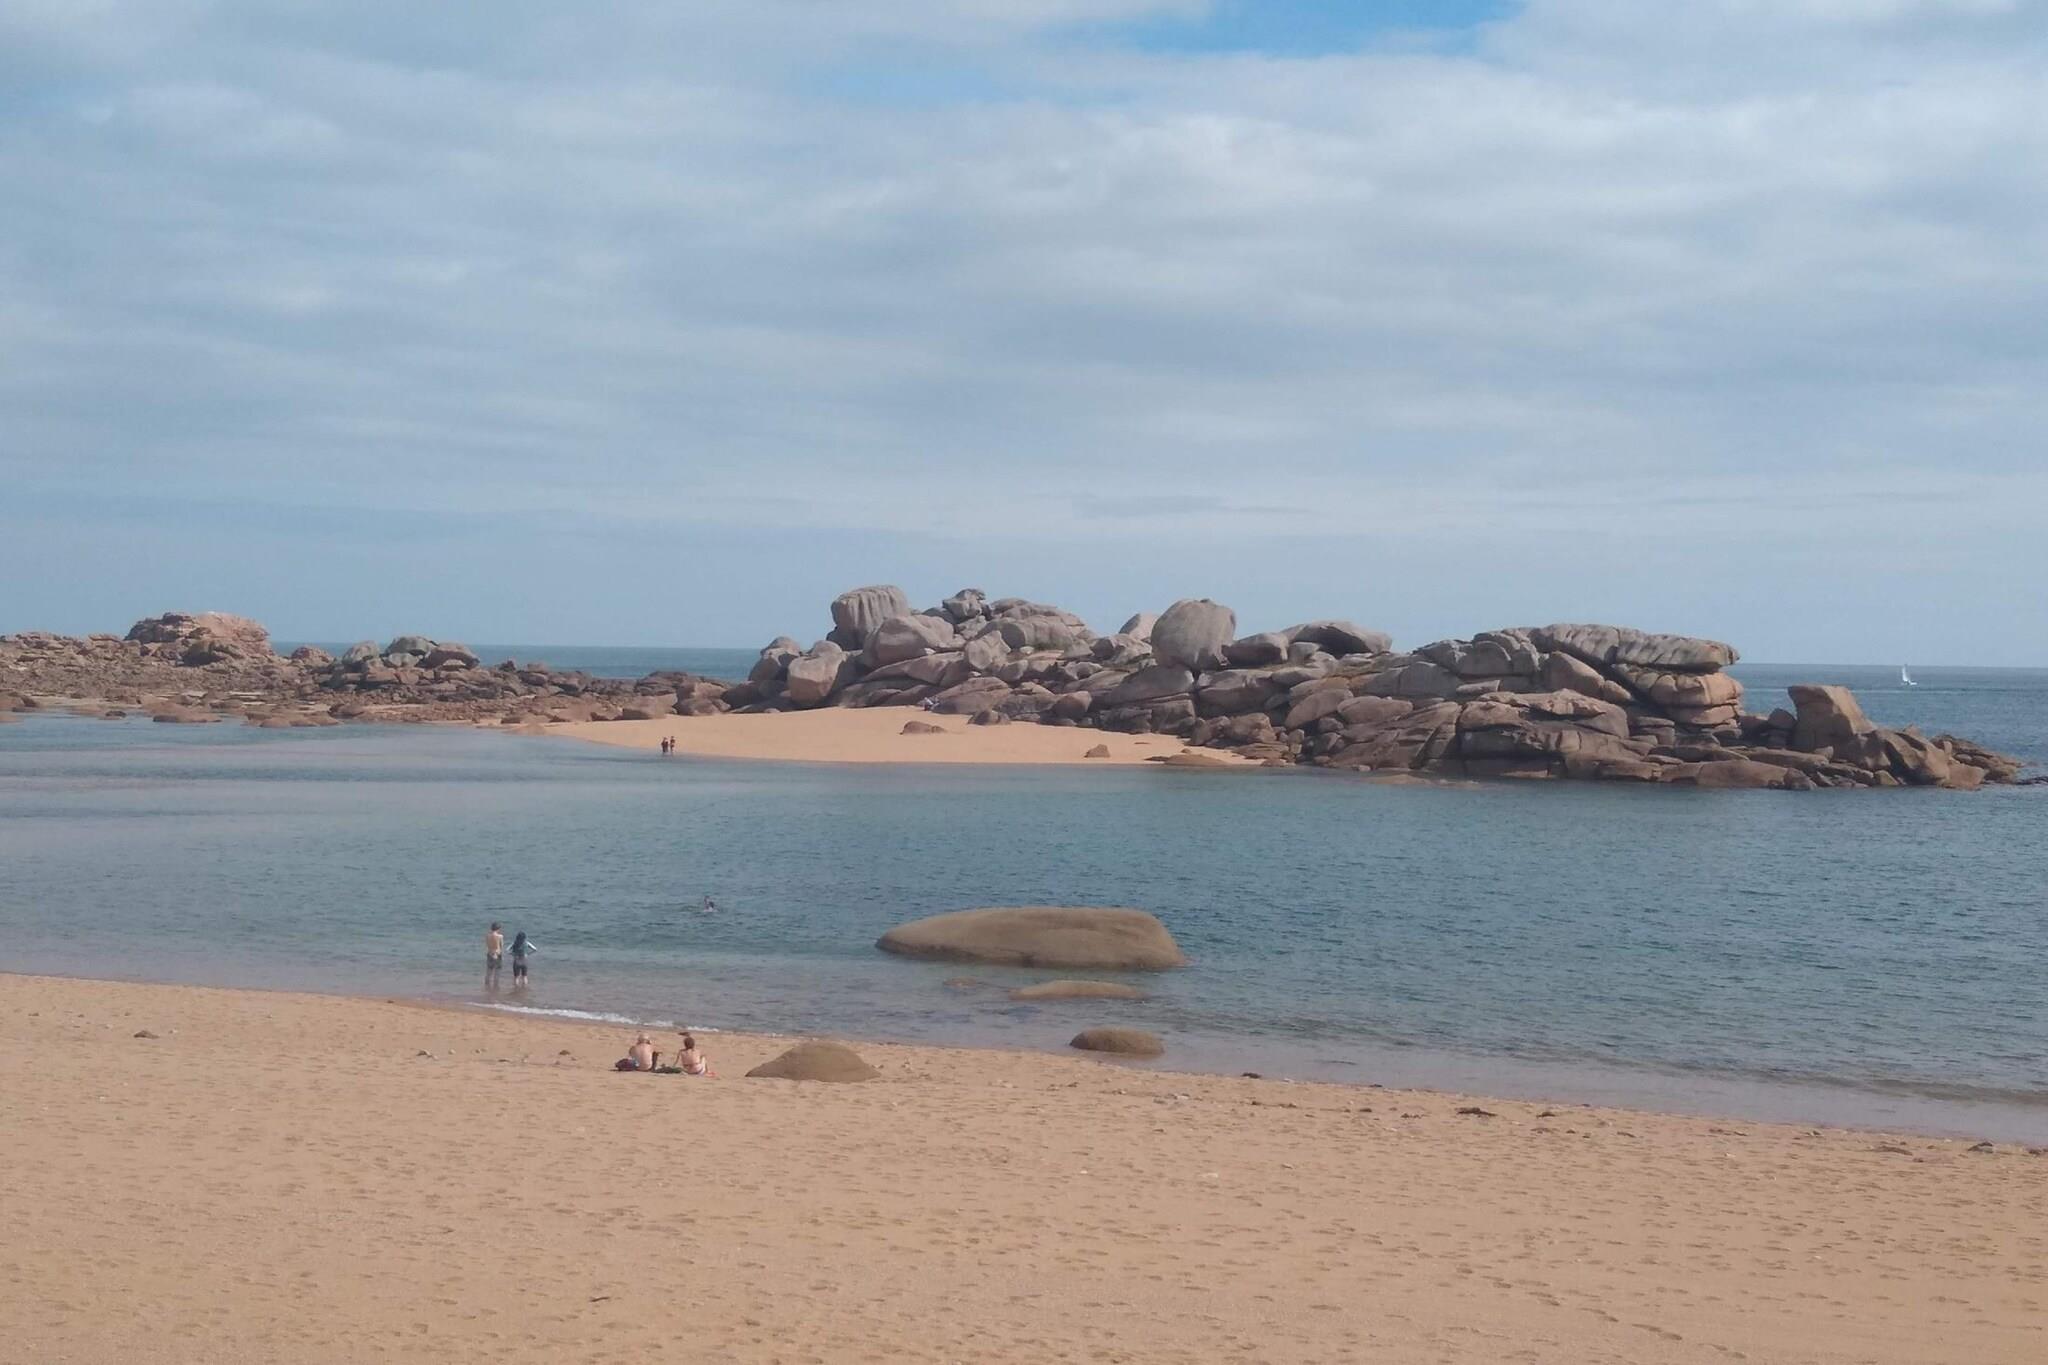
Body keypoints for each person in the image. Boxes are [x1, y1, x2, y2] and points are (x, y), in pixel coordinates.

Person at [484, 922, 504, 991]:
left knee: (488, 972)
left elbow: (487, 945)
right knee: (497, 972)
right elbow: (501, 946)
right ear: (498, 929)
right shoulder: (500, 936)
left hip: (490, 953)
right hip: (497, 954)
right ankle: (495, 988)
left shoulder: (487, 936)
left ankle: (487, 988)